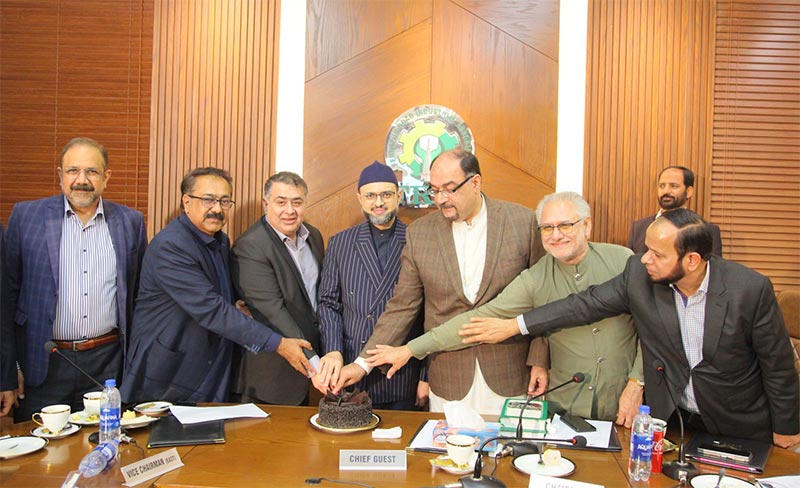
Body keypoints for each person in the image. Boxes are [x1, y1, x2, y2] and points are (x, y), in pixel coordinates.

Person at [457, 208, 800, 448]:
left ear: (692, 260)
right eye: (646, 249)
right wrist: (515, 325)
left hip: (737, 423)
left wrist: (787, 428)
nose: (644, 258)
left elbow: (778, 365)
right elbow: (582, 305)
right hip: (675, 421)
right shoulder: (639, 274)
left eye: (657, 254)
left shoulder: (750, 290)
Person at [366, 192, 644, 425]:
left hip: (625, 400)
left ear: (587, 225)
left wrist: (636, 383)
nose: (556, 235)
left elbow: (652, 329)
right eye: (547, 228)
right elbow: (478, 318)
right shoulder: (536, 278)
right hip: (566, 405)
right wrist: (410, 349)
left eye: (566, 225)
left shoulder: (623, 260)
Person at [332, 149, 547, 415]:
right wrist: (362, 364)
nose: (441, 199)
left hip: (510, 374)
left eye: (449, 189)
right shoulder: (421, 233)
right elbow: (403, 306)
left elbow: (543, 299)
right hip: (449, 380)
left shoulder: (522, 222)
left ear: (476, 182)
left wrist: (540, 360)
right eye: (434, 190)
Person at [120, 167, 313, 404]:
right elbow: (211, 309)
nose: (217, 208)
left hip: (210, 368)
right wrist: (279, 344)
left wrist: (234, 303)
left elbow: (216, 296)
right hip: (169, 371)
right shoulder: (170, 246)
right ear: (187, 202)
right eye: (208, 200)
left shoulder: (220, 240)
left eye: (224, 201)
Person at [2, 137, 147, 421]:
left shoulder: (130, 222)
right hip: (43, 363)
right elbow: (6, 297)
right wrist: (9, 368)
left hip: (108, 364)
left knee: (104, 448)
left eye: (92, 172)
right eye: (73, 171)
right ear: (60, 175)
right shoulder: (26, 217)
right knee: (42, 454)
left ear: (106, 177)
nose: (82, 180)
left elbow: (139, 296)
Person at [313, 161, 428, 410]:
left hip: (400, 373)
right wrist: (333, 349)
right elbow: (328, 303)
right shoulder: (341, 243)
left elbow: (433, 313)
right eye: (371, 195)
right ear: (360, 199)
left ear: (398, 196)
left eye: (386, 194)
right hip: (349, 369)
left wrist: (426, 376)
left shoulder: (417, 241)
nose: (379, 202)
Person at [230, 172, 324, 406]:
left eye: (297, 202)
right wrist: (316, 363)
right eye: (281, 202)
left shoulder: (314, 236)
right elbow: (273, 311)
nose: (289, 210)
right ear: (266, 204)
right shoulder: (250, 246)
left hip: (306, 372)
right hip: (270, 378)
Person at [628, 166, 722, 256]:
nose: (666, 191)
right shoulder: (638, 228)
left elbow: (713, 270)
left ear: (689, 191)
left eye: (674, 186)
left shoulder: (708, 231)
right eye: (662, 186)